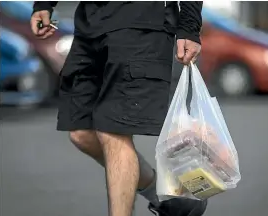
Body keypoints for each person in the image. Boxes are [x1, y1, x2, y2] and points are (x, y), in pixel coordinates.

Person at [31, 1, 207, 216]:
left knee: (113, 131)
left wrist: (189, 25)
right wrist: (44, 5)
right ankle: (168, 194)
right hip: (91, 23)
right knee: (81, 133)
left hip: (141, 20)